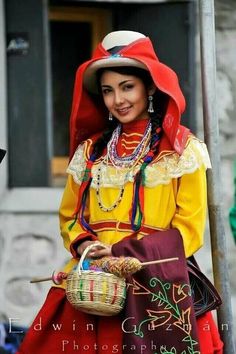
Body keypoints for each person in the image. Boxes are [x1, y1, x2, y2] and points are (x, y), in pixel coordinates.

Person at [17, 30, 223, 354]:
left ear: (150, 87)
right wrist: (88, 246)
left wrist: (124, 255)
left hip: (158, 283)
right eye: (108, 91)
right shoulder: (90, 152)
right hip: (94, 283)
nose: (118, 100)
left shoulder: (183, 151)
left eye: (127, 87)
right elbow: (70, 216)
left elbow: (189, 231)